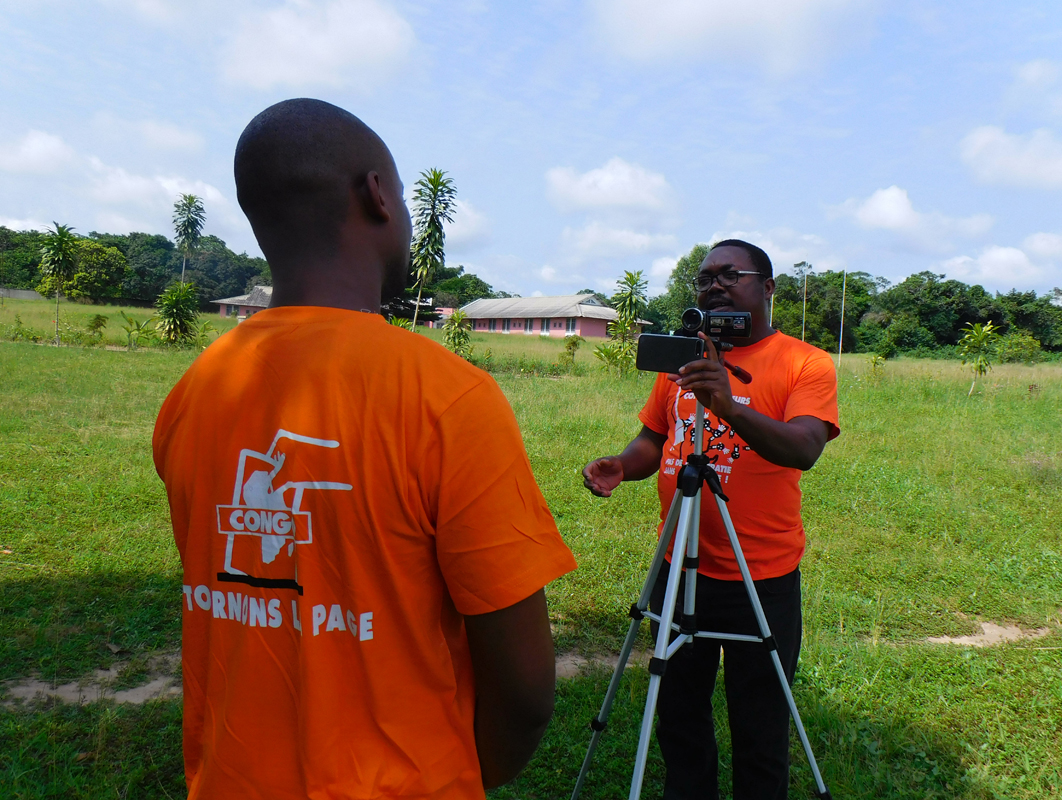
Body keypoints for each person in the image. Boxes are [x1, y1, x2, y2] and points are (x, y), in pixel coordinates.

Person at [153, 98, 577, 799]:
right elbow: (525, 689)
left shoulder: (195, 391)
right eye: (405, 195)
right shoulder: (448, 398)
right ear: (377, 196)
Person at [582, 240, 839, 800]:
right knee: (678, 714)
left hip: (761, 576)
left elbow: (803, 447)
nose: (714, 284)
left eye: (730, 274)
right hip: (679, 569)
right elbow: (656, 437)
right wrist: (623, 465)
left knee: (761, 722)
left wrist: (731, 405)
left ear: (767, 288)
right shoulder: (684, 358)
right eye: (704, 278)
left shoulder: (805, 362)